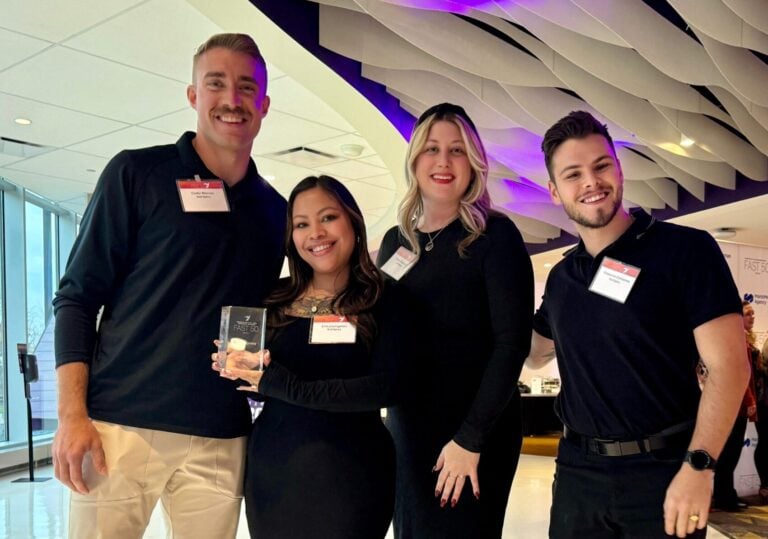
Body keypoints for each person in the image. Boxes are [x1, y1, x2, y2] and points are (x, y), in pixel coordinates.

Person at [52, 33, 286, 538]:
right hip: (119, 427)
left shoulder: (275, 211)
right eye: (216, 84)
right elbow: (76, 298)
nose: (231, 100)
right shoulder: (137, 173)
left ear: (264, 104)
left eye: (247, 88)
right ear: (193, 95)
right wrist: (72, 416)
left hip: (220, 435)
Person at [527, 110, 749, 539]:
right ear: (555, 192)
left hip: (662, 471)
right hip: (578, 473)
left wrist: (699, 467)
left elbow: (730, 367)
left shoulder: (685, 251)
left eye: (601, 165)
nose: (591, 182)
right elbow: (533, 355)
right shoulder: (562, 277)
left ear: (619, 167)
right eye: (574, 174)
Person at [214, 175, 410, 538]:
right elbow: (253, 386)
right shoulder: (270, 300)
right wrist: (236, 368)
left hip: (353, 475)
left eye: (328, 217)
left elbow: (386, 387)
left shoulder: (386, 297)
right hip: (274, 471)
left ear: (352, 220)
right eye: (301, 224)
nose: (315, 233)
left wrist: (284, 385)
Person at [376, 103, 534, 538]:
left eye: (457, 150)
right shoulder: (397, 241)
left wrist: (470, 438)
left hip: (475, 431)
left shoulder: (494, 237)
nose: (443, 162)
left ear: (474, 163)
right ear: (414, 160)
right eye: (431, 149)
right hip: (409, 428)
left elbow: (511, 344)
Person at [713, 300, 757, 511]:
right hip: (734, 405)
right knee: (729, 454)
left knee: (731, 455)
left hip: (735, 404)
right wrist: (749, 401)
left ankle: (726, 495)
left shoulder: (743, 339)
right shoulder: (735, 340)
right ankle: (724, 497)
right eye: (748, 314)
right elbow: (739, 374)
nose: (752, 318)